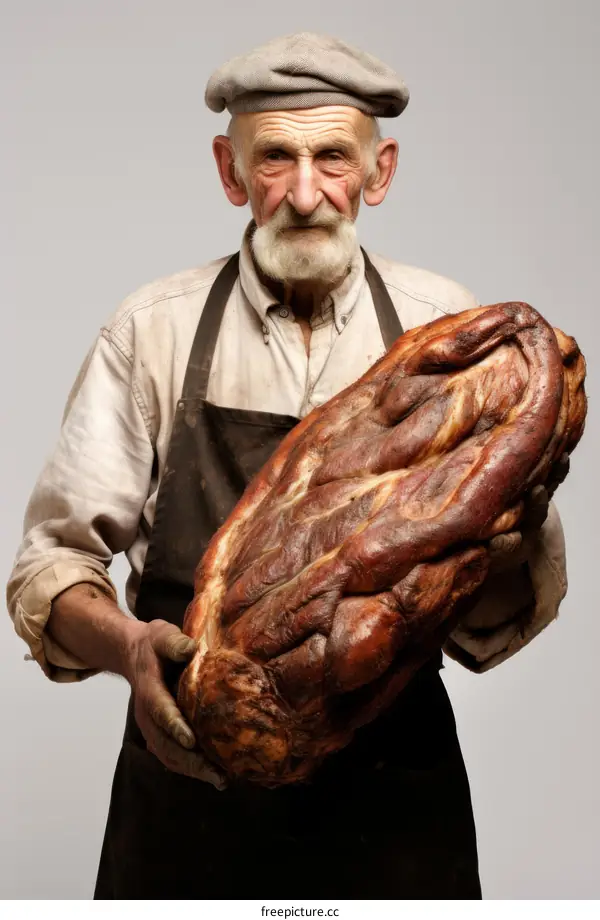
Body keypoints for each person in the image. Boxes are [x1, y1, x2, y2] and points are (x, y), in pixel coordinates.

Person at [6, 32, 569, 900]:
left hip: (393, 803)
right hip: (188, 787)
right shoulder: (152, 330)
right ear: (232, 174)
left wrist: (488, 522)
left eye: (332, 157)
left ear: (378, 174)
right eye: (275, 157)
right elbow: (51, 566)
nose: (305, 194)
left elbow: (500, 604)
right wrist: (130, 651)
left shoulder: (457, 337)